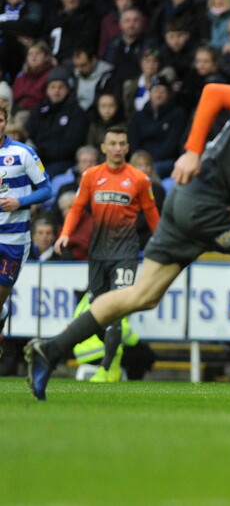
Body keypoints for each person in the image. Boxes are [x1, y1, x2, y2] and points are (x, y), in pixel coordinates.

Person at [24, 51, 230, 401]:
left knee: (142, 296)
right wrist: (193, 151)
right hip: (206, 204)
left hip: (185, 204)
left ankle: (51, 349)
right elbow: (214, 92)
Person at [53, 125, 159, 383]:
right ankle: (109, 360)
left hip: (125, 254)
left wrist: (163, 246)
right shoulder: (91, 176)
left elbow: (153, 216)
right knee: (97, 310)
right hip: (98, 253)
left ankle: (109, 367)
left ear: (127, 147)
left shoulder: (139, 179)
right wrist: (65, 232)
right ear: (103, 147)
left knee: (116, 312)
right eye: (113, 143)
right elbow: (77, 208)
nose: (118, 148)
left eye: (122, 143)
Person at [0, 100, 51, 323]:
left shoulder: (23, 153)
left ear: (6, 122)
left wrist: (19, 202)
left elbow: (47, 189)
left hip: (14, 239)